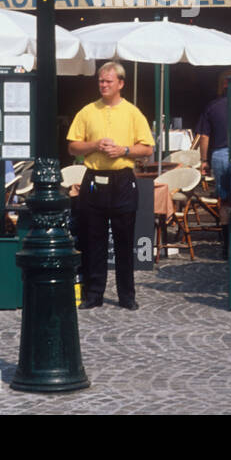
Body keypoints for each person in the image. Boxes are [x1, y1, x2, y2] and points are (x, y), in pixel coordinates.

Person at [67, 62, 154, 310]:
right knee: (92, 240)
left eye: (108, 81)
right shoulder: (87, 111)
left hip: (122, 180)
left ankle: (127, 295)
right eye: (100, 81)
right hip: (94, 179)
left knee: (124, 240)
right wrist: (94, 145)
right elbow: (73, 146)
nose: (103, 85)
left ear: (121, 84)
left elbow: (147, 148)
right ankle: (93, 294)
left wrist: (123, 150)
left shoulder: (133, 113)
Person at [196, 69, 231, 257]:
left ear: (222, 85)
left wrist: (204, 160)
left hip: (219, 155)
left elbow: (204, 137)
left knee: (223, 201)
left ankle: (226, 245)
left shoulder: (212, 106)